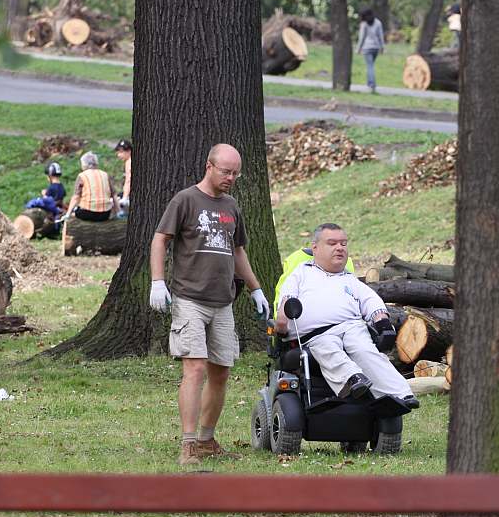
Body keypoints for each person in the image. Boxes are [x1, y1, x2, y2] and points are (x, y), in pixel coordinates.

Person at [149, 143, 272, 467]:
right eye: (226, 171)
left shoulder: (231, 206)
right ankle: (188, 443)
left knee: (221, 372)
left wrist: (255, 288)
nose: (231, 177)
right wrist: (157, 281)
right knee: (195, 368)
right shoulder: (186, 200)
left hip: (223, 303)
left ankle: (206, 440)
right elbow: (160, 238)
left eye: (236, 173)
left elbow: (238, 251)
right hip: (190, 298)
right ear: (209, 167)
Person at [275, 223, 419, 408]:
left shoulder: (350, 279)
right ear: (315, 248)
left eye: (343, 244)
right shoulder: (302, 273)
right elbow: (287, 296)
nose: (339, 248)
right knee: (328, 348)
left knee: (366, 350)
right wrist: (281, 320)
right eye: (332, 243)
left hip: (352, 327)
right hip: (316, 334)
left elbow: (370, 301)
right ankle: (352, 380)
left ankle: (401, 394)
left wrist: (383, 323)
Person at [66, 151, 116, 221]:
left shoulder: (82, 175)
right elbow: (114, 195)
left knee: (75, 211)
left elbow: (76, 197)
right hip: (105, 214)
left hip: (88, 213)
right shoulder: (105, 175)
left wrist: (68, 213)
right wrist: (118, 211)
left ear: (84, 164)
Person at [356, 8, 385, 94]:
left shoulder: (364, 24)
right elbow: (381, 36)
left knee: (370, 66)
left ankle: (372, 84)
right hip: (376, 48)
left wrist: (358, 48)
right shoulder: (378, 23)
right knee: (371, 65)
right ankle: (369, 83)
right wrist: (382, 47)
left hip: (367, 47)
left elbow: (362, 38)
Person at [114, 139, 132, 217]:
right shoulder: (128, 161)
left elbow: (129, 180)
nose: (118, 155)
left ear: (129, 151)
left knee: (115, 200)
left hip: (130, 193)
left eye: (121, 152)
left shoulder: (129, 162)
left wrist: (125, 197)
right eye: (118, 152)